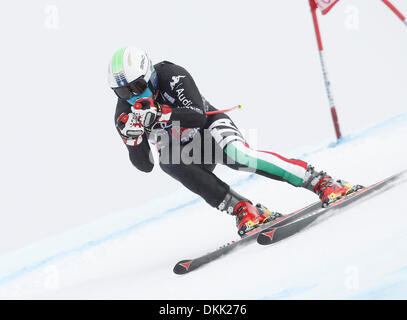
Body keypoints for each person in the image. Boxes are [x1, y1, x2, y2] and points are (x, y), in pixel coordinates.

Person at [107, 46, 357, 237]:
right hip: (186, 151)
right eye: (122, 92)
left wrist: (162, 113)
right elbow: (144, 165)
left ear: (148, 74)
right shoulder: (124, 114)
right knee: (167, 162)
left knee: (239, 157)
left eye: (137, 86)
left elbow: (196, 115)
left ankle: (320, 181)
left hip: (209, 128)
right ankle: (243, 209)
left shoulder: (171, 75)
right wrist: (133, 140)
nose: (131, 96)